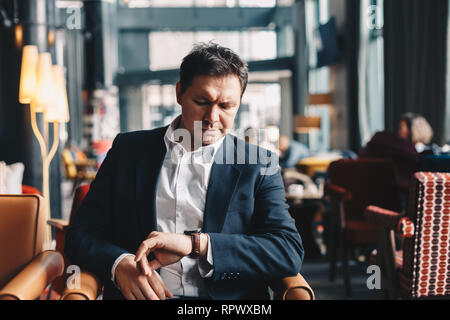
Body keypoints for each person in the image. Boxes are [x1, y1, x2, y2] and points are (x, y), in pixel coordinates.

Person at [65, 43, 304, 300]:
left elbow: (287, 249)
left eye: (226, 107)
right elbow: (81, 234)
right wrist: (119, 263)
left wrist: (196, 244)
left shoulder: (258, 163)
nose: (212, 117)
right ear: (179, 93)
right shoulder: (128, 150)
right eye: (202, 102)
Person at [359, 112, 433, 188]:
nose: (398, 131)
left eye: (401, 128)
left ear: (414, 130)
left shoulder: (410, 152)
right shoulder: (401, 150)